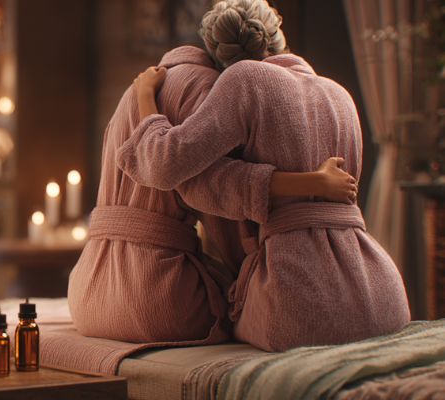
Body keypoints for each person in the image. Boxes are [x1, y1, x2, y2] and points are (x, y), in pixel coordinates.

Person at [119, 0, 410, 351]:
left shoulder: (245, 79)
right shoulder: (340, 94)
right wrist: (310, 183)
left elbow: (164, 165)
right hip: (384, 297)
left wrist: (145, 98)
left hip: (298, 303)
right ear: (278, 37)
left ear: (217, 56)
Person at [67, 46, 357, 344]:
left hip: (85, 291)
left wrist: (145, 96)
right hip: (161, 300)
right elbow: (220, 204)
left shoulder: (135, 90)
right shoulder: (207, 91)